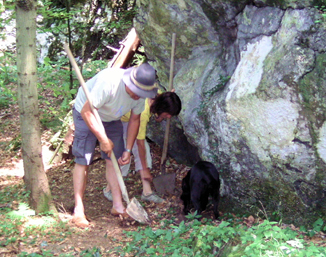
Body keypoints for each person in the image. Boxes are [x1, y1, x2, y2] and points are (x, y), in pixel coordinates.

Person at [71, 63, 158, 228]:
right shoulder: (109, 83)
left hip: (111, 117)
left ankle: (117, 206)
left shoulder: (140, 96)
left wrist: (127, 149)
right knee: (84, 159)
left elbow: (135, 119)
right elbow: (87, 111)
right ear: (129, 83)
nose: (139, 96)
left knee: (115, 158)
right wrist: (103, 139)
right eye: (137, 92)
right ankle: (78, 210)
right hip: (87, 112)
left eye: (143, 93)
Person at [103, 91, 182, 203]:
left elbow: (162, 97)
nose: (169, 117)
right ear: (162, 107)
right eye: (168, 113)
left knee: (143, 150)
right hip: (118, 120)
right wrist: (145, 170)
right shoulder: (143, 113)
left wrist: (160, 114)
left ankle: (147, 192)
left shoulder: (156, 95)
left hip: (130, 119)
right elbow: (139, 144)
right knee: (124, 156)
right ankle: (109, 189)